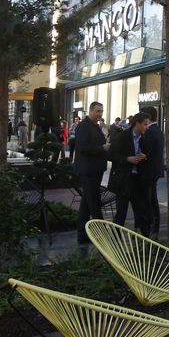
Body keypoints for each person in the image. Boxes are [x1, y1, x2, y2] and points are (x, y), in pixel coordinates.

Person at [72, 101, 109, 247]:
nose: (100, 114)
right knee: (94, 203)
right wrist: (102, 148)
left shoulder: (95, 126)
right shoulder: (84, 126)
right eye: (97, 111)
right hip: (88, 171)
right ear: (90, 111)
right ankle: (101, 236)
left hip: (95, 170)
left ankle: (82, 235)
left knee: (86, 204)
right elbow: (82, 148)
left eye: (101, 111)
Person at [108, 112, 152, 235]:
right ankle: (115, 243)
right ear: (137, 124)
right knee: (121, 214)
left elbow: (149, 154)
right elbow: (111, 155)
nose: (147, 127)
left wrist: (145, 156)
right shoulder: (123, 136)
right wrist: (127, 159)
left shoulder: (144, 137)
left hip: (138, 180)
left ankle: (145, 241)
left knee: (141, 212)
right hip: (123, 180)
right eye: (145, 124)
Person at [140, 106, 165, 237]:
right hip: (155, 170)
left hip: (148, 171)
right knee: (152, 199)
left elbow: (145, 152)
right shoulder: (158, 130)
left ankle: (150, 227)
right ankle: (154, 227)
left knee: (149, 200)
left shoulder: (149, 132)